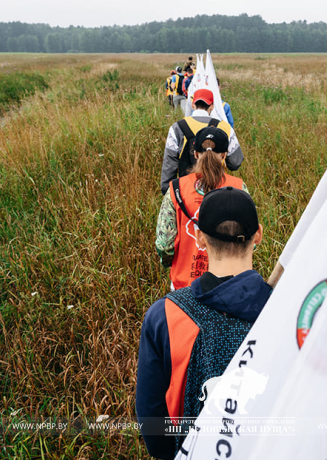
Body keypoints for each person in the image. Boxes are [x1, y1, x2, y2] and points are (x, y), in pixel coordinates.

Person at [137, 186, 271, 460]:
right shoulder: (286, 315)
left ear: (199, 237)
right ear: (258, 234)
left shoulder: (164, 315)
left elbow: (152, 425)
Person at [156, 126, 248, 290]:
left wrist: (171, 263)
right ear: (224, 155)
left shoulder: (176, 189)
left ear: (196, 154)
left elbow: (164, 245)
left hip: (184, 286)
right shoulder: (239, 188)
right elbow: (250, 242)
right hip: (227, 285)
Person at [160, 89, 243, 195]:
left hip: (186, 192)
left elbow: (169, 164)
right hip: (219, 190)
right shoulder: (225, 128)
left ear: (193, 105)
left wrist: (168, 192)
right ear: (212, 106)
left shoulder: (177, 128)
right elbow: (236, 163)